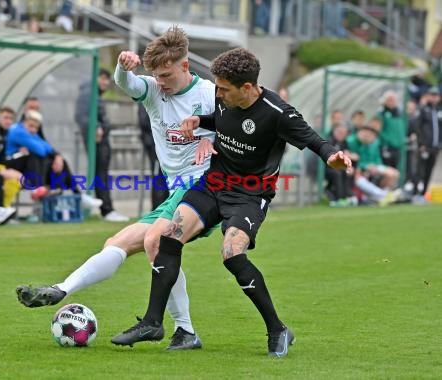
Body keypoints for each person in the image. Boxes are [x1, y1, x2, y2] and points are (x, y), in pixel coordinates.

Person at [111, 47, 352, 357]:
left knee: (231, 253)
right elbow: (221, 121)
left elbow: (314, 140)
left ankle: (278, 329)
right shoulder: (224, 99)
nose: (218, 93)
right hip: (215, 183)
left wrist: (333, 156)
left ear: (247, 88)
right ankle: (153, 322)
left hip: (250, 194)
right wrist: (199, 119)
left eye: (224, 89)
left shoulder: (278, 113)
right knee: (168, 236)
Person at [16, 26, 216, 350]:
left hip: (205, 187)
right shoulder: (153, 91)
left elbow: (237, 128)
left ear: (185, 66)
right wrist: (124, 65)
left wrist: (211, 144)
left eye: (166, 74)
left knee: (156, 241)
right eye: (156, 75)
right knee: (117, 242)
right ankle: (60, 289)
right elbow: (128, 83)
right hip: (175, 190)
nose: (161, 82)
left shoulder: (207, 93)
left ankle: (184, 330)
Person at [75, 68, 129, 222]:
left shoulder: (94, 94)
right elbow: (81, 116)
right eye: (103, 78)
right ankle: (107, 210)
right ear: (96, 78)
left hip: (101, 140)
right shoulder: (87, 93)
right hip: (97, 142)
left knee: (101, 174)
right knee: (100, 175)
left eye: (107, 79)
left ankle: (106, 208)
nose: (105, 82)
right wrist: (96, 127)